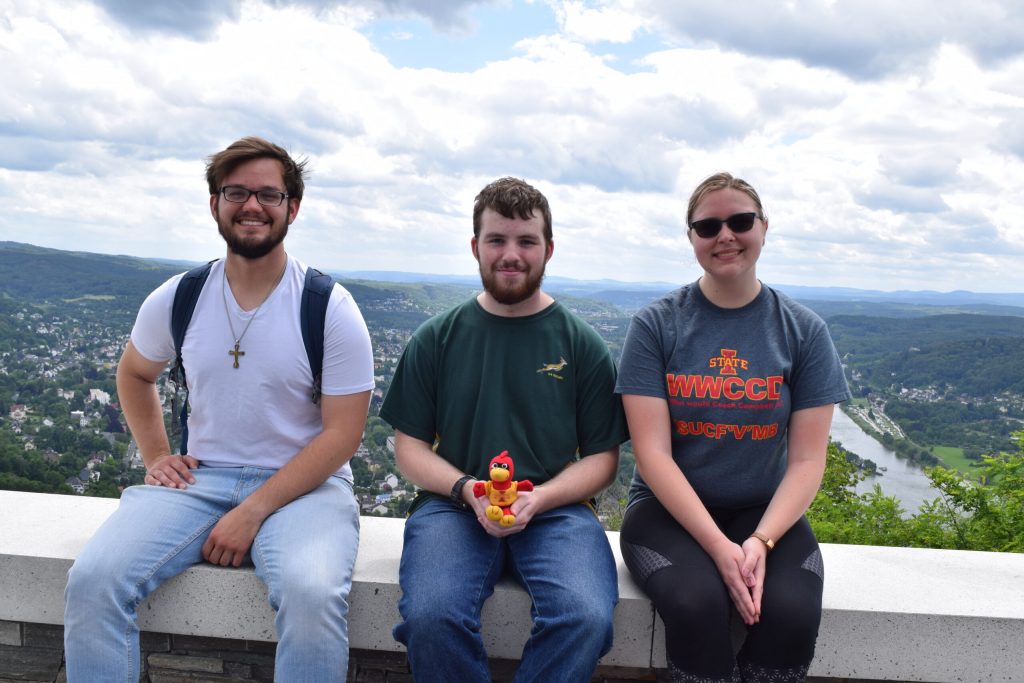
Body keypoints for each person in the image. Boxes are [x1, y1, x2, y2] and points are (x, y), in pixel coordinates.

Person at [63, 136, 374, 682]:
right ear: (214, 204)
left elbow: (341, 437)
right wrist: (157, 454)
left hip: (304, 486)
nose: (251, 205)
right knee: (94, 579)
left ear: (292, 209)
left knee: (310, 594)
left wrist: (251, 511)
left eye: (269, 195)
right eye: (236, 192)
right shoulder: (179, 296)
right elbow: (135, 373)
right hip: (200, 478)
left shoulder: (328, 307)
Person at [379, 177, 628, 682]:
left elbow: (604, 459)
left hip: (556, 509)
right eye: (497, 240)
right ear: (475, 247)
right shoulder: (438, 338)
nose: (510, 254)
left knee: (585, 617)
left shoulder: (580, 344)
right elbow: (408, 448)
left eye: (526, 241)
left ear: (549, 249)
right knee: (432, 617)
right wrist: (467, 489)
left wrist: (540, 498)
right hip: (453, 507)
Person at [616, 172, 850, 683]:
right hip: (666, 513)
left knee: (789, 613)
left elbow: (809, 460)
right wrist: (721, 548)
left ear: (764, 228)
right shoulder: (657, 325)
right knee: (698, 606)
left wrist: (761, 541)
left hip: (766, 515)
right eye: (707, 226)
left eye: (740, 221)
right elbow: (652, 454)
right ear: (692, 238)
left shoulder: (803, 330)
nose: (725, 235)